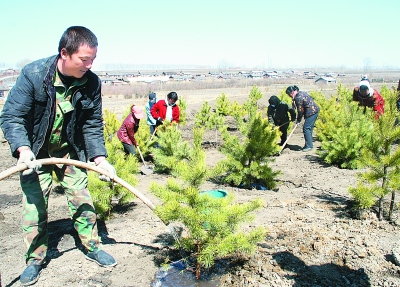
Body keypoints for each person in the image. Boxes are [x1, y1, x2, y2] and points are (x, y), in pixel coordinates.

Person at [0, 26, 117, 286]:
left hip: (70, 151)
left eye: (93, 60)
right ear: (64, 53)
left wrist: (99, 158)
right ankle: (35, 258)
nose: (89, 65)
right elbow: (12, 116)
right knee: (34, 205)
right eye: (84, 60)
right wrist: (23, 148)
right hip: (35, 152)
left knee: (81, 198)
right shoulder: (34, 75)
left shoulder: (91, 82)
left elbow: (92, 124)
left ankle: (92, 246)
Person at [286, 85, 320, 152]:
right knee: (309, 128)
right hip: (314, 111)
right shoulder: (301, 93)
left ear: (291, 92)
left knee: (306, 128)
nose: (289, 96)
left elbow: (300, 110)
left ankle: (309, 146)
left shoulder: (298, 97)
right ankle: (308, 144)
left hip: (311, 113)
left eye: (289, 94)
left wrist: (298, 120)